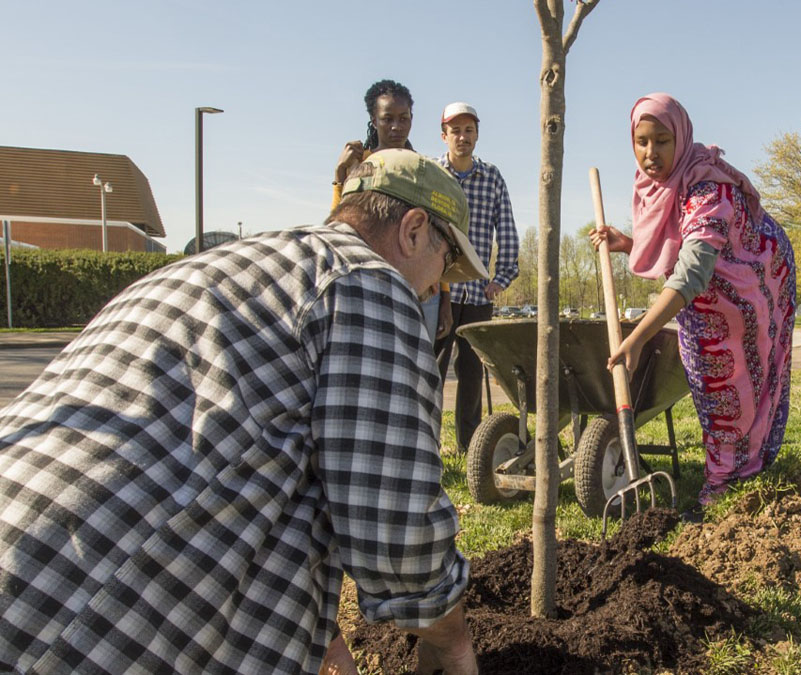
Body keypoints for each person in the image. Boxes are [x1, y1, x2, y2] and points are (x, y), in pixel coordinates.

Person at [0, 149, 488, 675]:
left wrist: (320, 634)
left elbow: (213, 455)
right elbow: (396, 529)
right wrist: (449, 643)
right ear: (414, 230)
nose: (439, 286)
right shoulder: (368, 284)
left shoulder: (218, 270)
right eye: (447, 261)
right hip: (71, 625)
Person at [589, 93, 796, 520]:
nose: (651, 153)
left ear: (681, 138)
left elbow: (692, 269)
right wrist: (625, 243)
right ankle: (734, 470)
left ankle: (725, 483)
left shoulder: (707, 187)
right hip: (708, 293)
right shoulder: (660, 186)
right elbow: (675, 246)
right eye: (641, 141)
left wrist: (638, 338)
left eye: (662, 141)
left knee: (735, 380)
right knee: (710, 373)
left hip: (755, 280)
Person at [331, 78, 449, 343]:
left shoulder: (421, 169)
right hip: (368, 282)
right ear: (374, 120)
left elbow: (438, 235)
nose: (397, 126)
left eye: (404, 118)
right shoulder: (360, 164)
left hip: (420, 287)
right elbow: (337, 225)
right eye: (387, 119)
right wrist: (340, 176)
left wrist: (445, 297)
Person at [434, 101, 519, 453]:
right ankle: (427, 441)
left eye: (469, 130)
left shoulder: (492, 177)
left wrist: (502, 276)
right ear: (444, 136)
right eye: (456, 131)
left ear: (477, 135)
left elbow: (508, 232)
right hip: (440, 292)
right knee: (433, 369)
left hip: (478, 296)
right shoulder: (432, 175)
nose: (463, 137)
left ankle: (470, 445)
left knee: (471, 372)